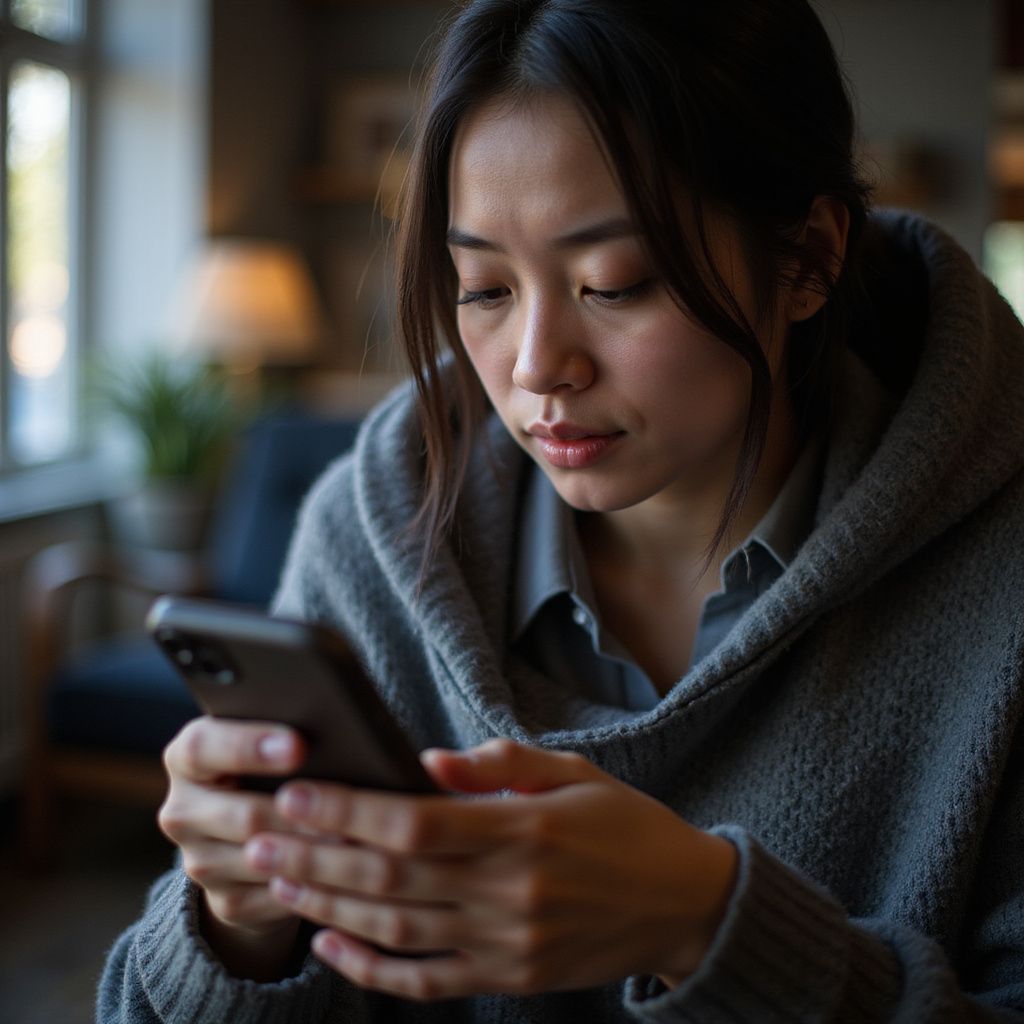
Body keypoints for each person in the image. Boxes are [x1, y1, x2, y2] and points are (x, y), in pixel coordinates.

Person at [99, 0, 1024, 1021]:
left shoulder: (998, 577)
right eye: (485, 288)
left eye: (613, 284)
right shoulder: (373, 532)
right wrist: (237, 926)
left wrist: (710, 927)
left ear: (803, 258)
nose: (539, 366)